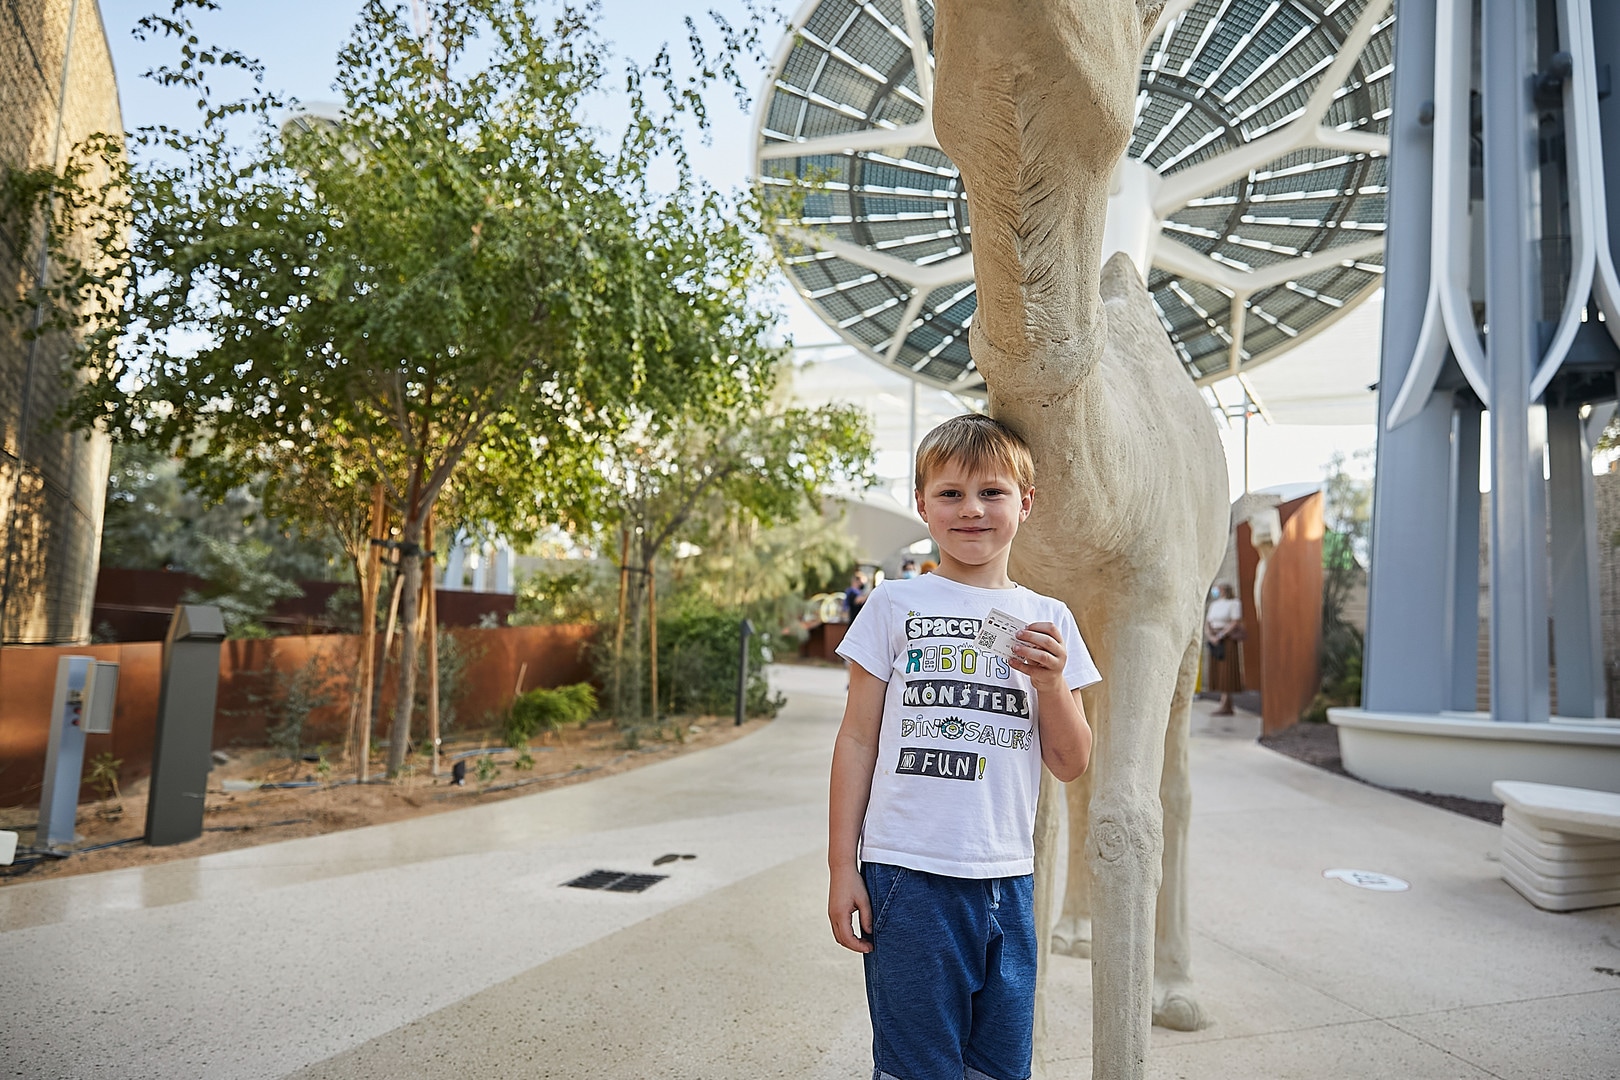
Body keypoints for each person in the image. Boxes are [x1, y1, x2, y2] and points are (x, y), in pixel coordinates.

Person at [828, 413, 1099, 1080]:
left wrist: (1051, 683)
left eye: (992, 492)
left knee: (1002, 1066)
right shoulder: (892, 606)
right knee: (917, 1067)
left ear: (1025, 503)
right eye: (950, 493)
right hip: (906, 877)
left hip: (1007, 879)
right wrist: (842, 867)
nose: (972, 509)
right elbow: (857, 738)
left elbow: (1071, 761)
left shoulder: (1050, 620)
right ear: (922, 504)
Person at [1204, 583, 1244, 715]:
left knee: (1227, 671)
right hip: (1215, 639)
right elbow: (1208, 622)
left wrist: (1221, 635)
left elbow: (1235, 621)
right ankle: (1227, 705)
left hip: (1226, 640)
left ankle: (1225, 703)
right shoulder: (1214, 605)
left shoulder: (1234, 603)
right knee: (1218, 671)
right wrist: (1210, 636)